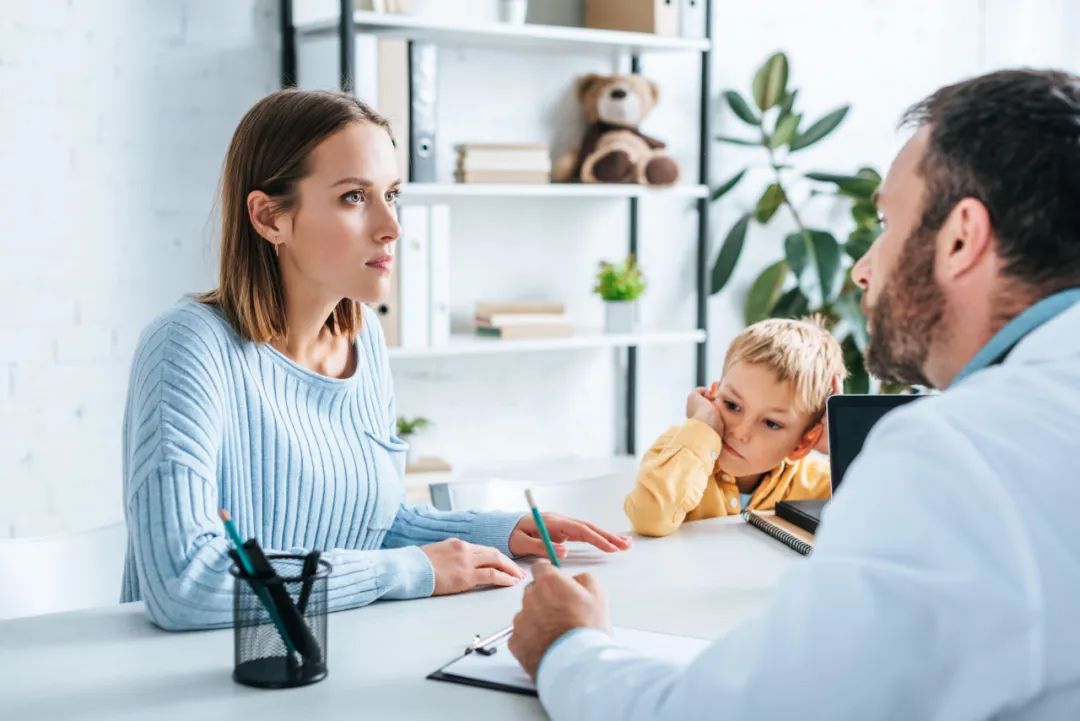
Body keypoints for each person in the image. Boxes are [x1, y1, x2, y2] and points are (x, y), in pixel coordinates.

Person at [508, 68, 1080, 720]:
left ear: (959, 239)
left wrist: (567, 647)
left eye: (886, 223)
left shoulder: (960, 454)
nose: (864, 267)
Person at [120, 89, 630, 631]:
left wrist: (497, 532)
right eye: (354, 198)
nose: (391, 226)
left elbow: (370, 522)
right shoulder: (186, 348)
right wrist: (410, 571)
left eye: (392, 194)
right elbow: (187, 583)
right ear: (269, 217)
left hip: (325, 656)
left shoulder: (364, 343)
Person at [624, 317, 845, 536]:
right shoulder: (679, 447)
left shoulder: (818, 482)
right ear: (713, 394)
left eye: (771, 423)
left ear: (802, 443)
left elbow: (872, 524)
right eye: (731, 405)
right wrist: (703, 425)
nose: (739, 433)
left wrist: (840, 449)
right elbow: (649, 518)